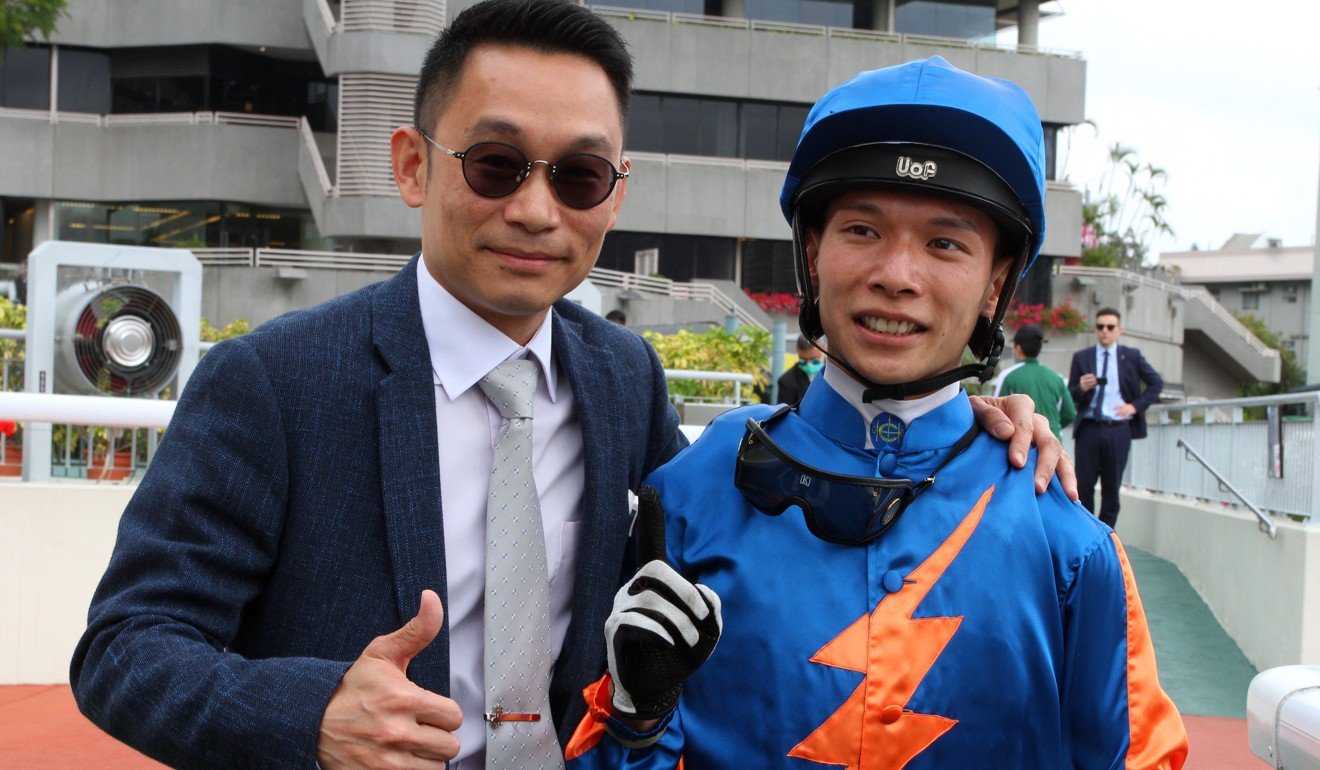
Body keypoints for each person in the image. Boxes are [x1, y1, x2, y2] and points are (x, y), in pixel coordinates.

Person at [68, 4, 1069, 769]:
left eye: (579, 177)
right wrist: (314, 713)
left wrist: (954, 425)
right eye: (497, 164)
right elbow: (124, 646)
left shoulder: (619, 375)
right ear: (414, 165)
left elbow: (743, 516)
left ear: (615, 193)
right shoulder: (274, 382)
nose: (536, 210)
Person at [567, 57, 1187, 768]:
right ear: (812, 251)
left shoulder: (1070, 545)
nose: (896, 276)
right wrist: (635, 722)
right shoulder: (690, 492)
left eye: (944, 243)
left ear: (996, 285)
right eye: (862, 230)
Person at [1068, 307, 1164, 528]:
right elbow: (1071, 393)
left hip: (1118, 429)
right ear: (1095, 329)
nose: (1105, 331)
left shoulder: (1131, 356)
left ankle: (1107, 538)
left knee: (1112, 488)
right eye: (1100, 326)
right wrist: (1080, 387)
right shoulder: (1082, 357)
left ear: (1119, 330)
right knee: (1083, 487)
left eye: (1110, 327)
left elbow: (1156, 383)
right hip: (1089, 428)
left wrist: (1135, 407)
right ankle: (1087, 534)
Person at [994, 324, 1074, 440]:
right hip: (1053, 443)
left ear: (1018, 348)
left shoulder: (1008, 376)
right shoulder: (1057, 378)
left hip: (1022, 445)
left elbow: (998, 412)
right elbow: (1069, 414)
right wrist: (1052, 427)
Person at [773, 335, 826, 405]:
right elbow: (785, 413)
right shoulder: (787, 382)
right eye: (803, 360)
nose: (809, 364)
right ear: (798, 351)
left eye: (814, 360)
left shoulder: (837, 372)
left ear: (824, 350)